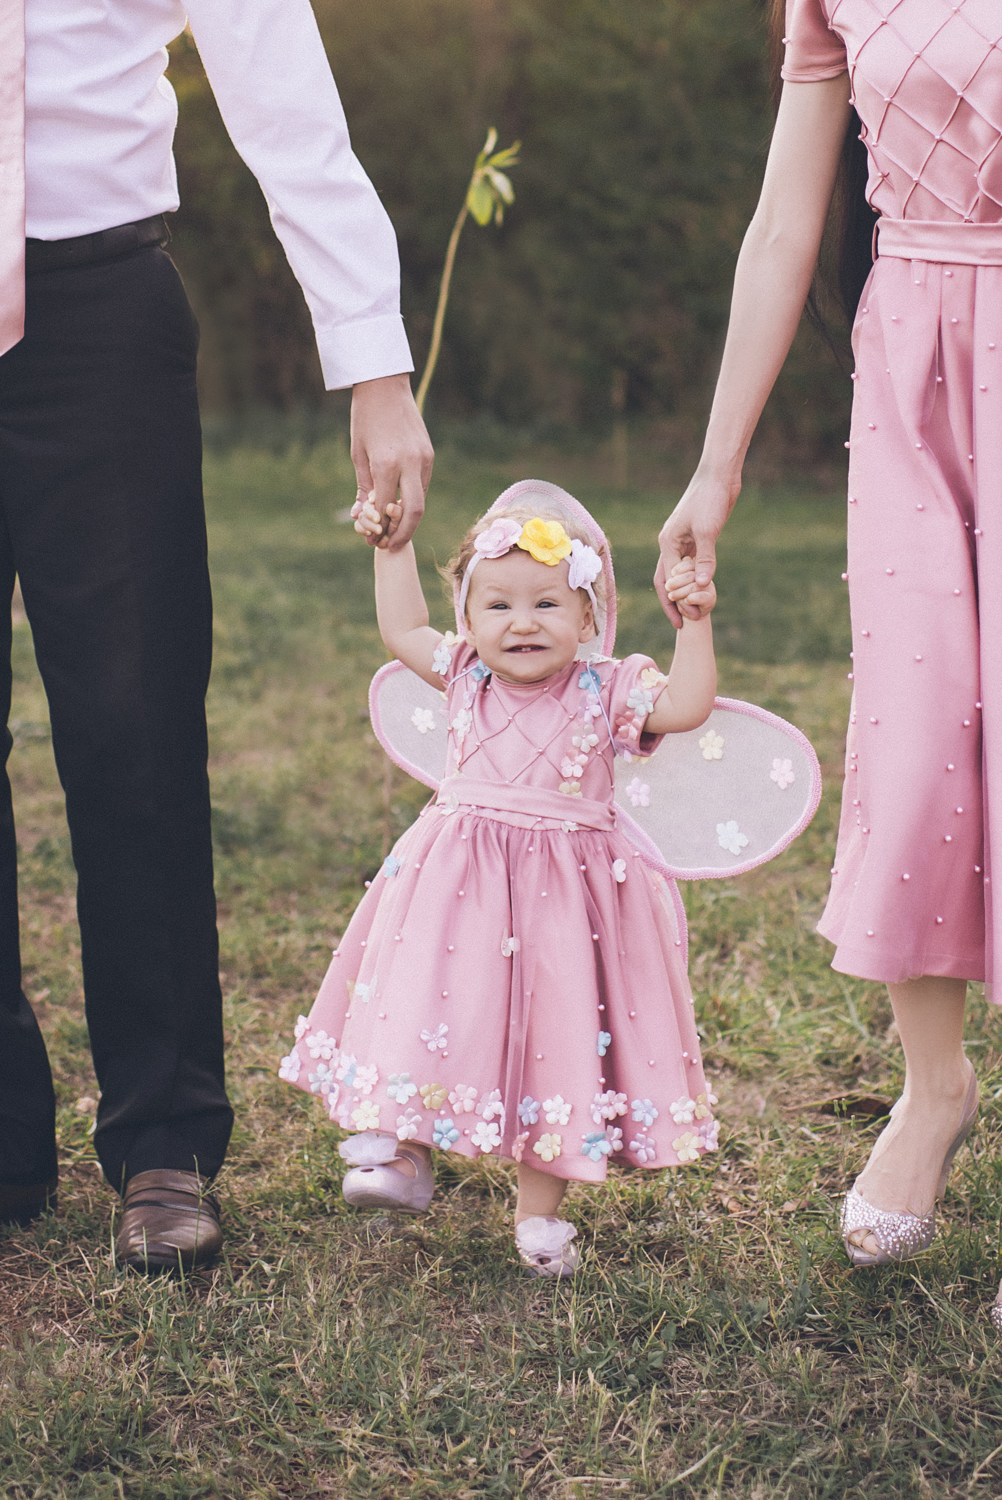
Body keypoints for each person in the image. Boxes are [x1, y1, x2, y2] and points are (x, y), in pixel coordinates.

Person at [0, 0, 433, 1271]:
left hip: (98, 318)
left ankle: (163, 1141)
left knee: (132, 730)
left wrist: (376, 366)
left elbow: (288, 105)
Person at [657, 0, 999, 1311]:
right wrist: (716, 465)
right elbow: (783, 224)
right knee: (914, 746)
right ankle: (933, 1086)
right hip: (909, 360)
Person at [279, 483, 720, 1277]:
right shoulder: (462, 675)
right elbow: (401, 628)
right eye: (498, 606)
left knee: (557, 1041)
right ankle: (403, 1154)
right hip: (458, 891)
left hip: (566, 903)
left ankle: (539, 1218)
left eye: (547, 603)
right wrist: (391, 549)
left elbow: (687, 706)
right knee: (429, 1003)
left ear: (587, 618)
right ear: (468, 619)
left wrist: (695, 624)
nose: (522, 623)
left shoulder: (606, 689)